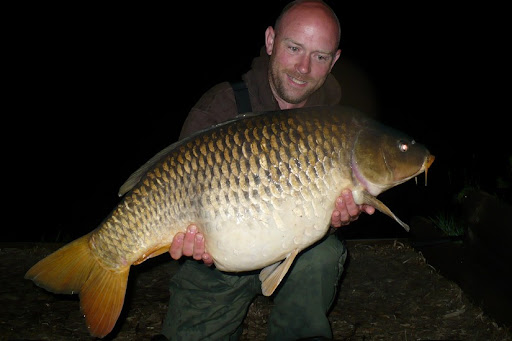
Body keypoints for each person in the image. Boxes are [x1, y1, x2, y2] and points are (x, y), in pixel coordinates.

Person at [154, 1, 374, 340]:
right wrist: (193, 241)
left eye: (319, 56)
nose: (303, 67)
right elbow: (174, 185)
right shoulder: (222, 106)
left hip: (297, 254)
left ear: (335, 61)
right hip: (217, 262)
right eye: (294, 48)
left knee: (323, 255)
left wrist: (336, 219)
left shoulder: (337, 124)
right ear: (271, 41)